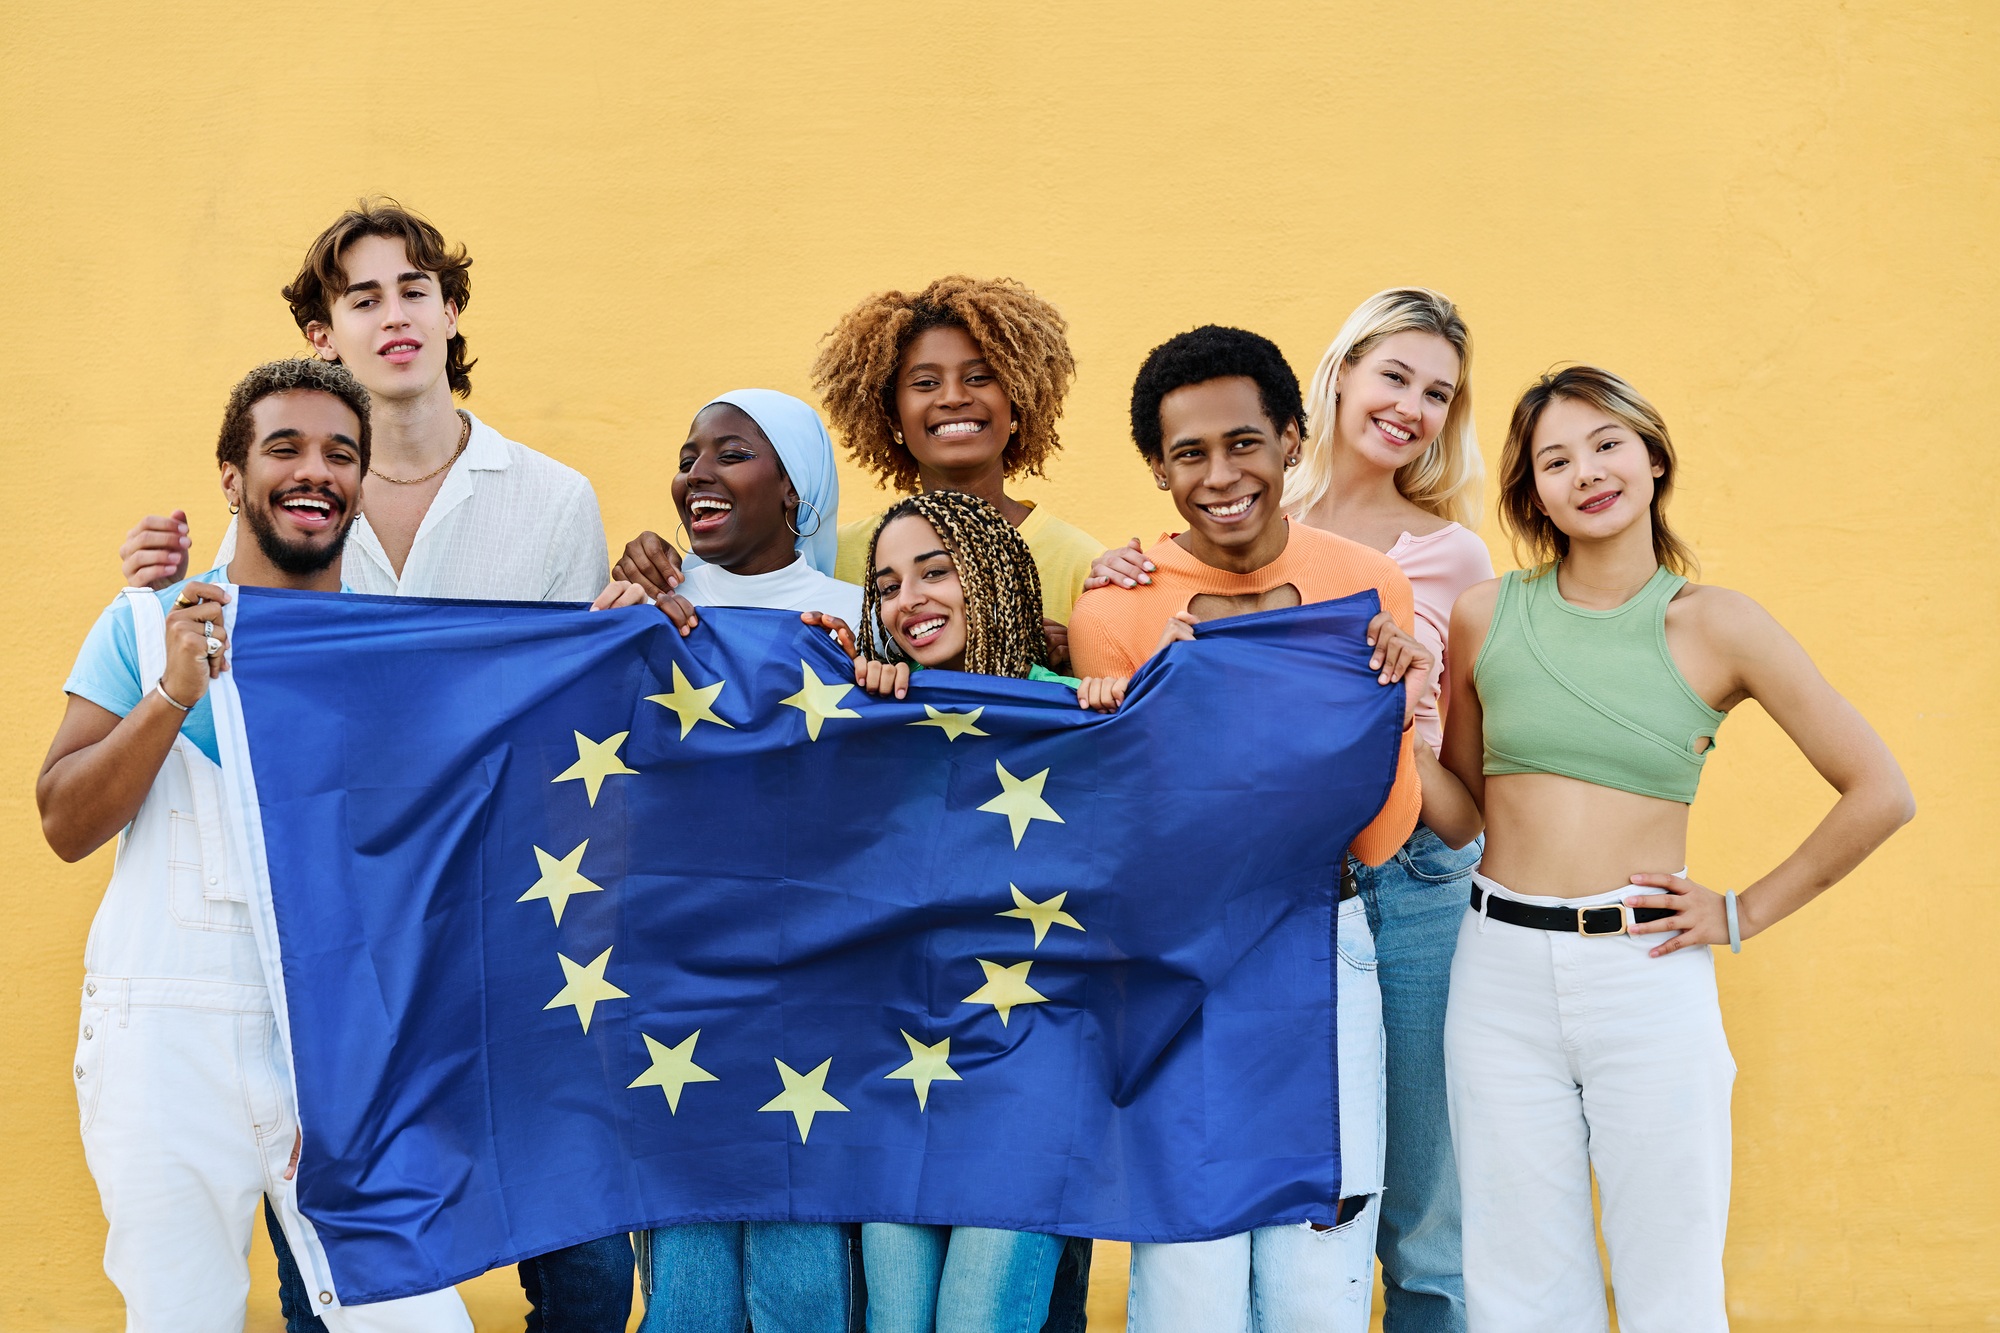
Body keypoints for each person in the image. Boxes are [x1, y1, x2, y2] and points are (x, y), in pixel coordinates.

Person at [115, 200, 622, 1332]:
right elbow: (218, 675)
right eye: (361, 297)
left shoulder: (550, 501)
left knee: (581, 1258)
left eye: (413, 289)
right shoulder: (290, 503)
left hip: (506, 926)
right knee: (341, 1262)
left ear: (449, 313)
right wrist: (144, 587)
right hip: (344, 947)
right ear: (321, 332)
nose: (393, 314)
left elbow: (569, 721)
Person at [1435, 366, 1914, 1332]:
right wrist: (1398, 736)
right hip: (1496, 975)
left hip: (1643, 973)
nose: (1588, 472)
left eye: (1608, 444)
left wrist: (1740, 913)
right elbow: (1462, 814)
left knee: (1671, 1279)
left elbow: (1881, 791)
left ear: (1654, 457)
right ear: (1535, 493)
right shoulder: (1486, 614)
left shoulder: (1717, 624)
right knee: (1516, 1280)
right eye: (1555, 459)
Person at [40, 360, 471, 1333]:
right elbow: (64, 820)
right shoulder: (145, 620)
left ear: (361, 483)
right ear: (232, 475)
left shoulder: (392, 650)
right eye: (284, 447)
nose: (313, 470)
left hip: (341, 1037)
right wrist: (172, 693)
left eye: (340, 453)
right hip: (163, 1039)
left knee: (414, 1318)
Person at [1087, 288, 1489, 1331]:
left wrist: (1387, 709)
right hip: (1185, 947)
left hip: (1347, 917)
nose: (1219, 475)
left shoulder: (1383, 579)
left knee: (1353, 1229)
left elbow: (1391, 817)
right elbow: (1122, 807)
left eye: (1434, 391)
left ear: (1284, 437)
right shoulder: (1121, 597)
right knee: (1188, 1257)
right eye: (1188, 454)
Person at [799, 490, 1118, 1333]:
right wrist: (844, 695)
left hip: (1031, 1074)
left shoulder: (1078, 711)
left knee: (979, 1319)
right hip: (896, 1071)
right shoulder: (875, 716)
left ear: (994, 574)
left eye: (935, 570)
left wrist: (1138, 709)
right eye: (890, 584)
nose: (911, 601)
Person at [605, 388, 865, 1333]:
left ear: (794, 491)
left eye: (732, 453)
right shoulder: (644, 612)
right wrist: (611, 623)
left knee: (800, 1286)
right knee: (686, 1288)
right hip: (674, 983)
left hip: (815, 991)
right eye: (687, 456)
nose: (697, 474)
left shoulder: (856, 617)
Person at [611, 276, 1103, 677]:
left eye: (979, 378)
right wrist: (655, 568)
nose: (953, 397)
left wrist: (1060, 652)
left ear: (1019, 402)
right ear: (891, 419)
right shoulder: (838, 555)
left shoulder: (1084, 563)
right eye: (925, 383)